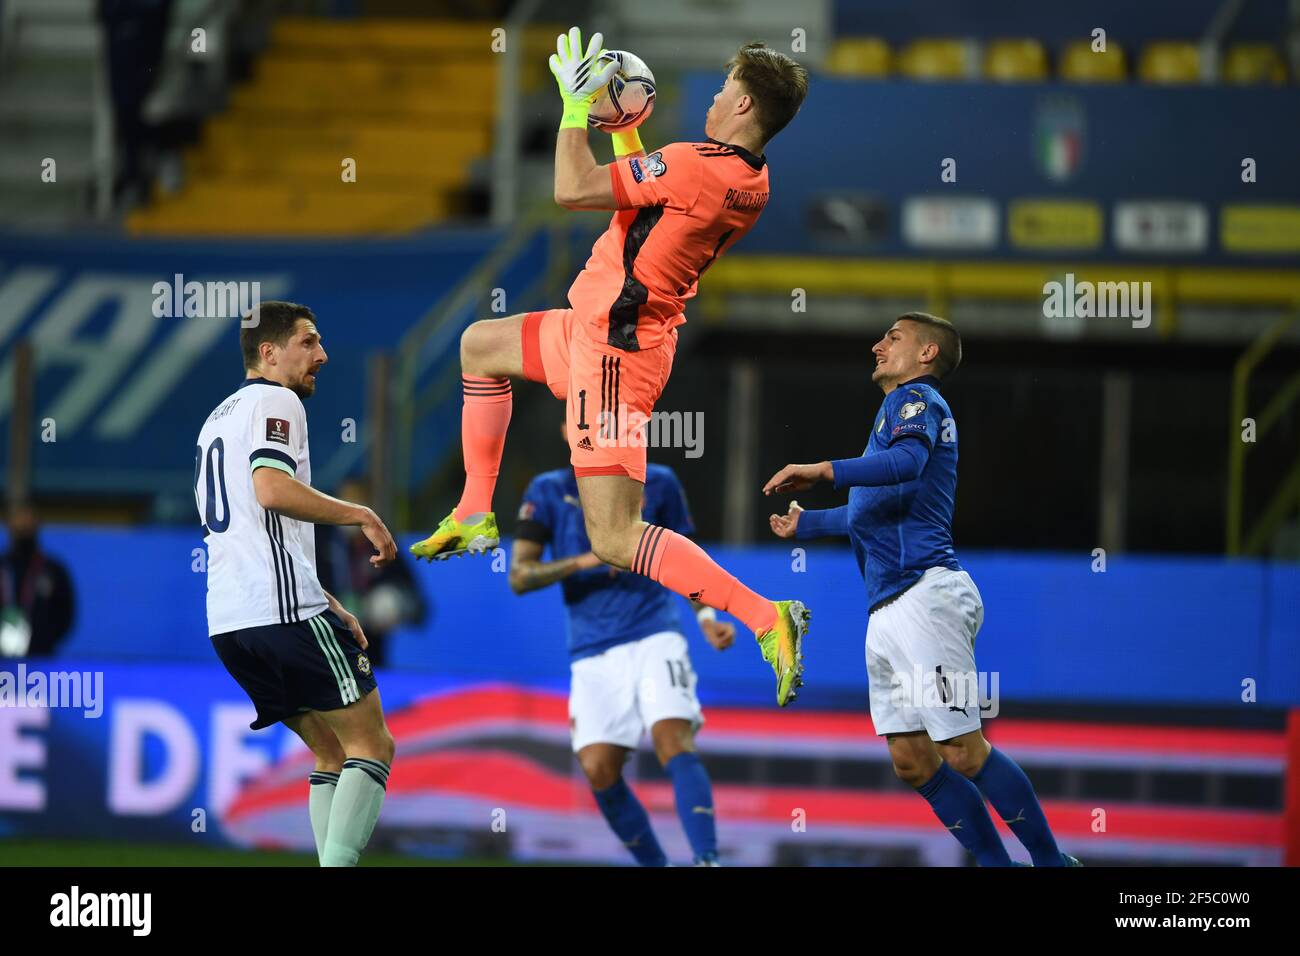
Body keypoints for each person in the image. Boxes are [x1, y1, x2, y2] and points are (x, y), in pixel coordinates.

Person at [412, 28, 811, 707]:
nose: (714, 97)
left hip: (615, 357)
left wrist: (574, 108)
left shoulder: (692, 164)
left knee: (615, 537)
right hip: (597, 330)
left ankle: (765, 617)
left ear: (744, 104)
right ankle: (475, 510)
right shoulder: (751, 178)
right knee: (480, 344)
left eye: (724, 88)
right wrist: (625, 131)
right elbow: (651, 201)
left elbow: (573, 189)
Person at [765, 312, 1079, 867]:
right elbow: (872, 507)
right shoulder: (893, 417)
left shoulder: (916, 401)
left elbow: (907, 463)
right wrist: (807, 524)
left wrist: (822, 470)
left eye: (893, 337)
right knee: (912, 759)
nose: (877, 345)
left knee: (963, 750)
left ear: (927, 353)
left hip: (925, 597)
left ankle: (1052, 863)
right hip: (889, 607)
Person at [195, 300, 398, 867]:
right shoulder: (276, 400)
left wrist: (327, 600)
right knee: (372, 745)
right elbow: (272, 490)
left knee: (331, 752)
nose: (322, 355)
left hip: (230, 622)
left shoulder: (217, 419)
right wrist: (361, 513)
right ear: (268, 352)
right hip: (281, 611)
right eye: (308, 342)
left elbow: (252, 531)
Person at [512, 428, 733, 865]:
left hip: (654, 631)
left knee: (672, 737)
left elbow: (687, 561)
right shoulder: (548, 490)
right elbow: (520, 576)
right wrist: (585, 560)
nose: (593, 428)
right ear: (567, 429)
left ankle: (707, 859)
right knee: (598, 768)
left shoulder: (659, 481)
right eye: (581, 419)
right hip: (592, 647)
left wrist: (706, 617)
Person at [316, 478, 428, 668]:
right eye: (344, 502)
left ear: (370, 508)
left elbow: (420, 609)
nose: (349, 510)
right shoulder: (320, 540)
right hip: (326, 650)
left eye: (357, 503)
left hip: (372, 654)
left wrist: (397, 603)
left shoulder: (385, 544)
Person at [0, 504, 76, 658]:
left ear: (37, 523)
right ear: (9, 524)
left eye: (28, 518)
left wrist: (44, 641)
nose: (24, 524)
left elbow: (66, 614)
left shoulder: (53, 570)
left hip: (41, 657)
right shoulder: (3, 568)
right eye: (19, 518)